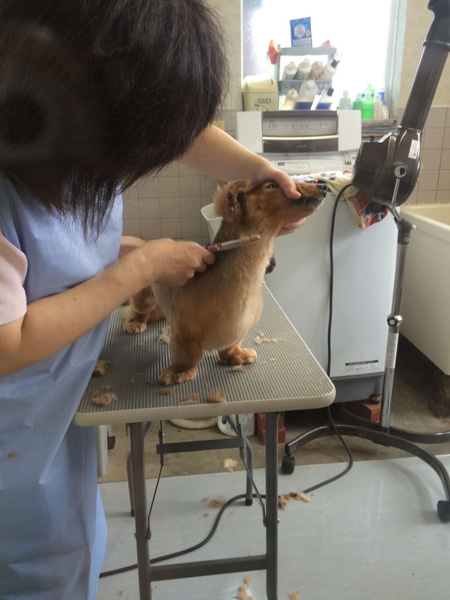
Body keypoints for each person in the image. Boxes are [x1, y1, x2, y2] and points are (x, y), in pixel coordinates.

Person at [0, 1, 304, 598]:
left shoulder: (62, 127)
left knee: (68, 545)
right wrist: (136, 268)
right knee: (30, 566)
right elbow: (7, 342)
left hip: (55, 401)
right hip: (13, 422)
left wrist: (262, 172)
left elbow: (176, 132)